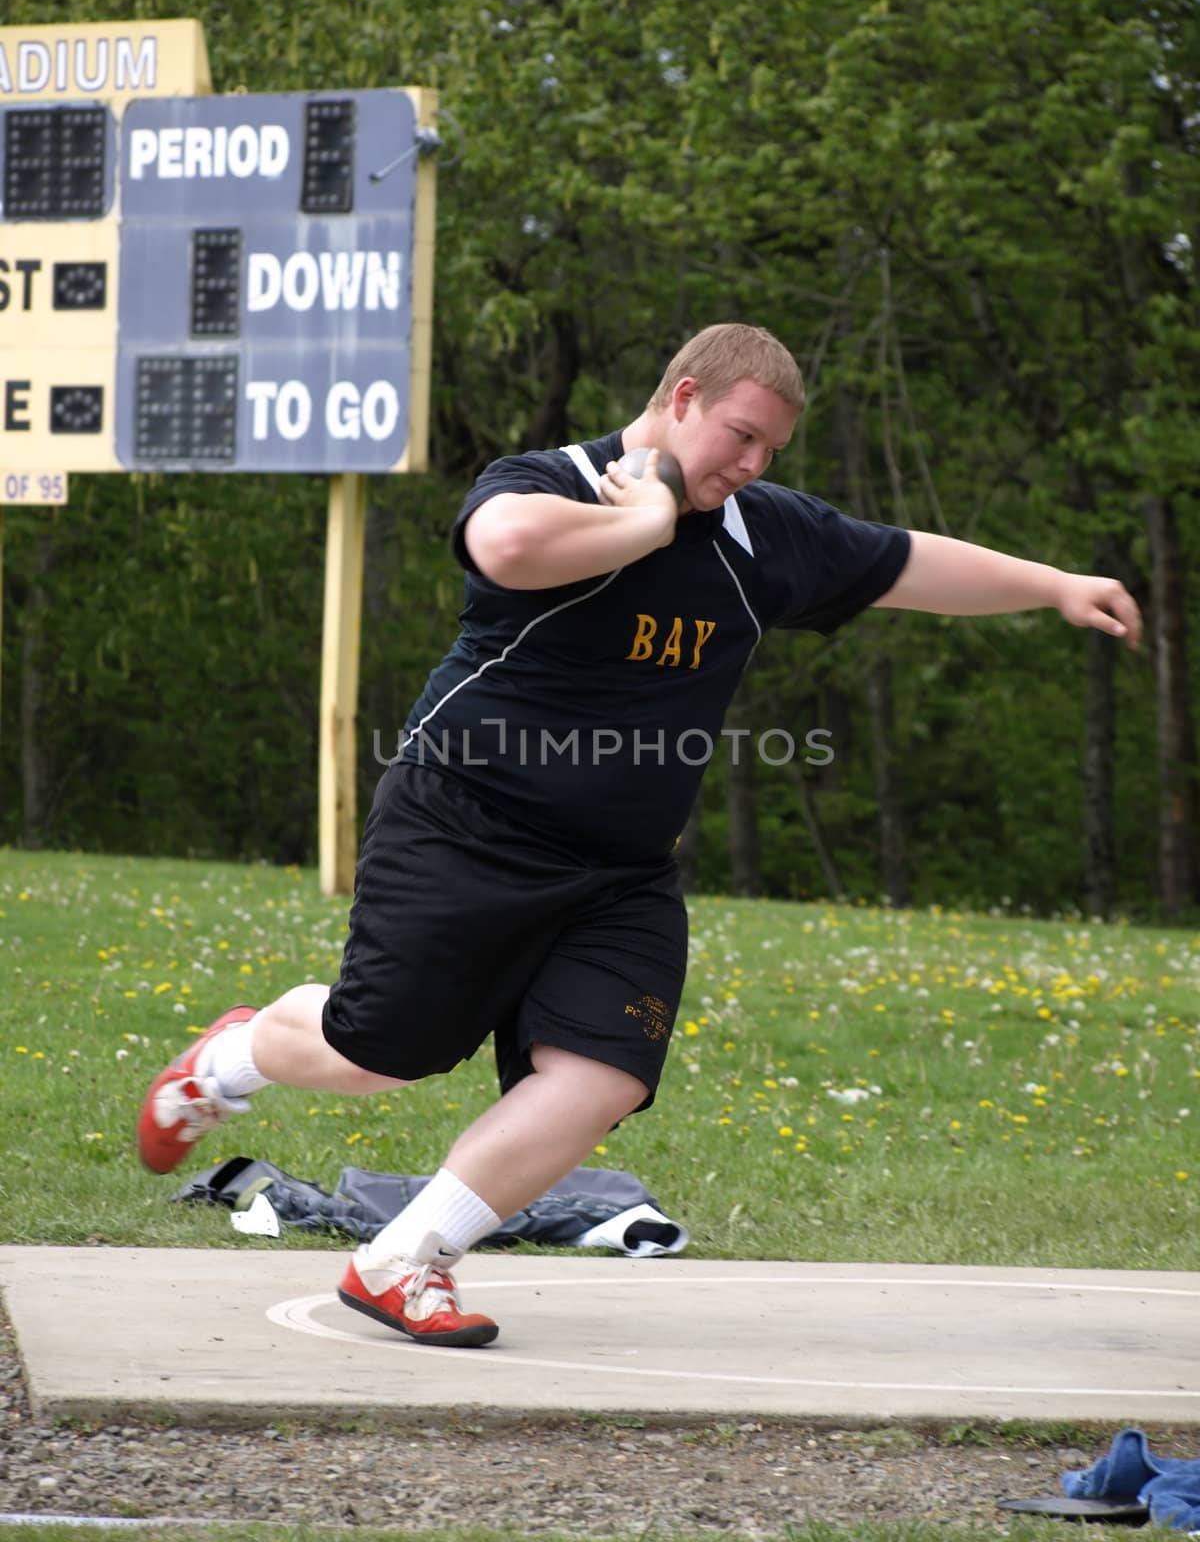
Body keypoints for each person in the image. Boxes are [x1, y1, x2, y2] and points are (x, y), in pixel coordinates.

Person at [136, 322, 1142, 1348]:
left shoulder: (764, 535)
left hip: (620, 870)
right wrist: (646, 516)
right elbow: (506, 547)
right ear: (685, 395)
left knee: (605, 1073)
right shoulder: (553, 478)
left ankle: (405, 1258)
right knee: (381, 1054)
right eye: (740, 437)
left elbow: (903, 563)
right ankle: (231, 1058)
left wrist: (1055, 586)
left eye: (770, 453)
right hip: (463, 823)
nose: (750, 466)